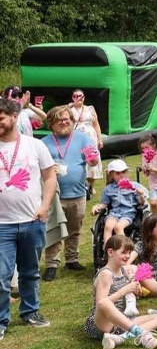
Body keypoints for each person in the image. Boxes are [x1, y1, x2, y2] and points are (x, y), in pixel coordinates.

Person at [0, 97, 56, 341]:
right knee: (1, 275)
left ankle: (30, 312)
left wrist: (44, 206)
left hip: (32, 220)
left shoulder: (35, 146)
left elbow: (50, 176)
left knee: (30, 271)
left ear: (14, 116)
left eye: (1, 118)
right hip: (2, 224)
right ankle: (1, 320)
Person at [84, 235, 157, 349]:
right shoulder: (106, 274)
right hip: (101, 323)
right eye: (123, 252)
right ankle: (142, 335)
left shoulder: (122, 270)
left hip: (119, 319)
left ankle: (118, 339)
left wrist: (135, 290)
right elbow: (100, 304)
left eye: (129, 252)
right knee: (104, 303)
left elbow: (128, 293)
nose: (127, 256)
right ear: (110, 252)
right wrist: (125, 290)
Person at [41, 105, 92, 278]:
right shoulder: (44, 143)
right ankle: (51, 264)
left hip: (77, 193)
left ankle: (71, 260)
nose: (64, 122)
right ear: (51, 123)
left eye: (67, 119)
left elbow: (92, 160)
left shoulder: (83, 138)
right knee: (53, 228)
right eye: (59, 120)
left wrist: (93, 160)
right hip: (54, 195)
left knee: (74, 228)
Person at [91, 160, 145, 249]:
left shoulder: (134, 186)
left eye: (123, 172)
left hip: (128, 213)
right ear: (112, 175)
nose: (121, 175)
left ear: (127, 172)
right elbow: (104, 204)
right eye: (118, 173)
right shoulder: (108, 189)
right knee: (108, 227)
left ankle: (125, 249)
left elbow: (141, 203)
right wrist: (96, 207)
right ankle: (108, 251)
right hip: (114, 213)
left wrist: (141, 195)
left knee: (118, 227)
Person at [67, 89, 103, 196]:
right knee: (78, 159)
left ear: (84, 97)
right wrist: (70, 106)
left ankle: (91, 186)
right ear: (72, 98)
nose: (78, 98)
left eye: (80, 96)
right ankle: (81, 184)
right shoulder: (69, 109)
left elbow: (96, 124)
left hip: (90, 136)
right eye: (76, 96)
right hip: (76, 137)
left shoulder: (90, 109)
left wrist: (100, 138)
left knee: (92, 159)